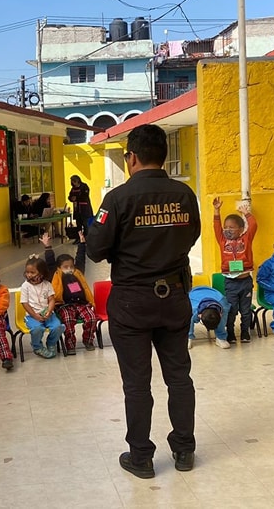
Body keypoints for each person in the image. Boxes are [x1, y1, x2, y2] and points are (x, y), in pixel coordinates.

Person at [86, 124, 201, 479]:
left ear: (131, 157)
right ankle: (184, 450)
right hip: (174, 297)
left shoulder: (117, 199)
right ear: (162, 156)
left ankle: (142, 457)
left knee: (137, 383)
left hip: (132, 302)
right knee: (179, 377)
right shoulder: (184, 194)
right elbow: (192, 235)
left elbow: (96, 248)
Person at [43, 231, 99, 354]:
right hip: (64, 305)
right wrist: (47, 246)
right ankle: (70, 345)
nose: (69, 269)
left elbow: (80, 258)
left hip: (81, 304)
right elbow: (50, 261)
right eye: (65, 267)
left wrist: (82, 243)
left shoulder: (77, 272)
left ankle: (88, 340)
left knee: (91, 318)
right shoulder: (55, 274)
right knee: (68, 321)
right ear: (59, 268)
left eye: (71, 266)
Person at [212, 197, 257, 343]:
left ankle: (245, 332)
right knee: (231, 310)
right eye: (226, 227)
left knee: (245, 310)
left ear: (241, 229)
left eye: (232, 227)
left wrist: (247, 213)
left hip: (245, 281)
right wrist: (217, 211)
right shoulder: (222, 241)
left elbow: (253, 225)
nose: (228, 230)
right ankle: (230, 333)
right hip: (231, 283)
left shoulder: (246, 239)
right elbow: (216, 227)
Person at [20, 255, 64, 358]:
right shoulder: (25, 286)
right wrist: (35, 316)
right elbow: (25, 303)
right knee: (37, 329)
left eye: (32, 272)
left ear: (41, 273)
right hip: (32, 316)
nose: (29, 275)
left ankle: (51, 343)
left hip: (48, 314)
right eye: (27, 272)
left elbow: (51, 299)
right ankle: (37, 347)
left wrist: (49, 311)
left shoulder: (47, 284)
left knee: (58, 327)